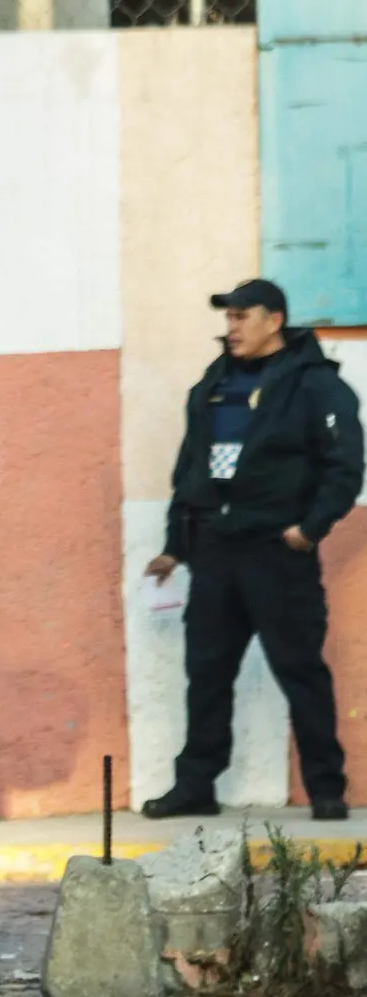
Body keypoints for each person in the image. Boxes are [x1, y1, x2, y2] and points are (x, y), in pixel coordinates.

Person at [142, 278, 363, 821]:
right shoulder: (212, 384)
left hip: (277, 553)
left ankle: (326, 788)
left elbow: (345, 466)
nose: (232, 327)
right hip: (216, 552)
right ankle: (195, 785)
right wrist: (175, 546)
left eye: (243, 316)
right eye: (229, 317)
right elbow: (189, 469)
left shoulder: (316, 386)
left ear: (275, 320)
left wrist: (308, 530)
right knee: (207, 671)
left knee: (300, 670)